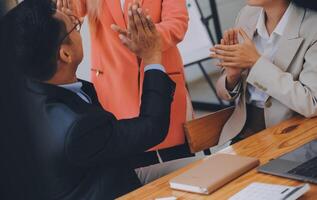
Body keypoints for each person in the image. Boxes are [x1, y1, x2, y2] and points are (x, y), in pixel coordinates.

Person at [4, 0, 175, 199]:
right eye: (75, 28)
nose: (78, 27)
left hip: (110, 176)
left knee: (203, 166)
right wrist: (152, 56)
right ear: (65, 54)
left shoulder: (30, 95)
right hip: (119, 192)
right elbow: (152, 128)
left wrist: (66, 29)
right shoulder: (75, 128)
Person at [60, 0, 195, 169]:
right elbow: (69, 11)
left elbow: (177, 22)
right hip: (114, 89)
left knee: (181, 167)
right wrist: (67, 16)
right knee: (133, 171)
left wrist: (147, 38)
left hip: (160, 80)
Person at [211, 0, 317, 146]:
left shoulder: (313, 26)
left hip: (294, 133)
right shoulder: (246, 14)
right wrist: (232, 76)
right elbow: (224, 93)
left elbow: (312, 103)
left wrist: (256, 63)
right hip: (243, 130)